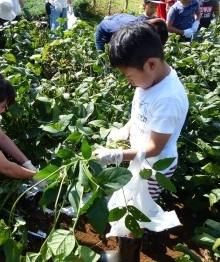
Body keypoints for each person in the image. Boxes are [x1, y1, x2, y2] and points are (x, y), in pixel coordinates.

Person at [94, 22, 188, 261]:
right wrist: (125, 130)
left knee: (134, 210)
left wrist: (116, 155)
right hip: (140, 158)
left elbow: (155, 147)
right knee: (129, 202)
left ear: (151, 64)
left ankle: (126, 257)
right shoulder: (150, 80)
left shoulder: (169, 99)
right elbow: (140, 113)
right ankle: (126, 251)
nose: (129, 82)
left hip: (155, 166)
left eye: (129, 76)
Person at [95, 0, 165, 51]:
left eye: (156, 7)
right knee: (103, 61)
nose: (154, 9)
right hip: (103, 32)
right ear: (144, 6)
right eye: (151, 6)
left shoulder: (147, 23)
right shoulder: (127, 28)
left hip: (120, 20)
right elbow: (104, 24)